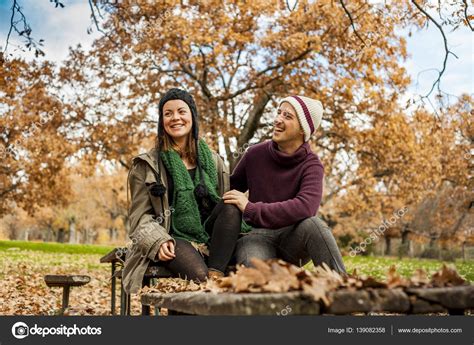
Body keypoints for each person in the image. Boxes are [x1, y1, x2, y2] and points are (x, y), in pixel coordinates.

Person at [123, 88, 241, 294]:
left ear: (192, 117)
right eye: (168, 113)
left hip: (210, 237)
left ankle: (216, 273)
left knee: (231, 204)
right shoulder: (148, 165)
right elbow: (139, 218)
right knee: (199, 278)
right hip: (172, 238)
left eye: (181, 111)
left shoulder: (214, 161)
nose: (175, 118)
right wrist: (157, 240)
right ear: (162, 121)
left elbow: (222, 207)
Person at [223, 95, 346, 273]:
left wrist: (251, 209)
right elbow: (229, 189)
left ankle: (341, 286)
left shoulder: (312, 165)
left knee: (315, 224)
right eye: (279, 113)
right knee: (256, 276)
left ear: (303, 129)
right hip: (255, 237)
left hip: (292, 240)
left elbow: (305, 207)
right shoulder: (254, 154)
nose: (278, 120)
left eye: (287, 116)